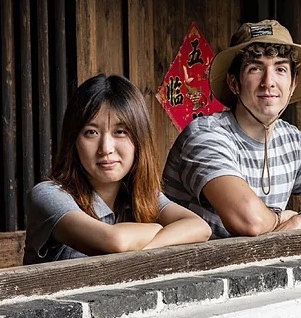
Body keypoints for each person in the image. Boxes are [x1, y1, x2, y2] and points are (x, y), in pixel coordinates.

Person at [163, 19, 301, 238]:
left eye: (280, 69)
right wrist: (280, 218)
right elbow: (251, 221)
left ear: (293, 84)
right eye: (255, 68)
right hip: (191, 270)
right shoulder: (205, 135)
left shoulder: (292, 142)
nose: (269, 81)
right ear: (233, 83)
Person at [24, 74, 211, 264]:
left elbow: (200, 227)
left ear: (139, 140)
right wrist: (161, 229)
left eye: (120, 132)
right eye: (91, 132)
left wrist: (147, 248)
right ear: (74, 141)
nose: (106, 148)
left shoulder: (142, 196)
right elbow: (115, 241)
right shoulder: (47, 195)